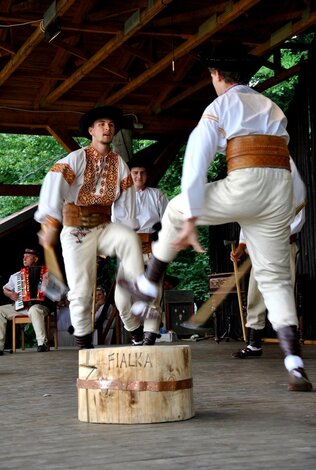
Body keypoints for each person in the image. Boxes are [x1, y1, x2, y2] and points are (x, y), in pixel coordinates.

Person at [119, 42, 313, 391]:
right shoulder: (272, 108)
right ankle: (295, 363)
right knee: (275, 279)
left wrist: (191, 214)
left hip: (248, 184)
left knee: (176, 207)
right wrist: (291, 207)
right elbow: (287, 164)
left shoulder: (221, 105)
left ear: (217, 76)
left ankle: (150, 281)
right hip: (279, 190)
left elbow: (197, 155)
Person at [35, 105, 150, 350]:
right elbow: (54, 184)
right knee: (81, 291)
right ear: (91, 131)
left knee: (129, 238)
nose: (107, 128)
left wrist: (121, 230)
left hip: (105, 228)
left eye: (110, 125)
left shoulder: (119, 164)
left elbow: (126, 204)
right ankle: (84, 346)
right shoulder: (75, 159)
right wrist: (51, 223)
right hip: (77, 231)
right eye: (101, 124)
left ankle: (133, 297)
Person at [232, 157, 306, 358]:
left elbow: (299, 204)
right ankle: (254, 344)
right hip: (260, 247)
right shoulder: (253, 171)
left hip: (283, 244)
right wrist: (242, 244)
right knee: (256, 294)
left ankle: (290, 347)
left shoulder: (286, 165)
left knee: (283, 294)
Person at [118, 156, 169, 345]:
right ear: (129, 175)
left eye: (142, 173)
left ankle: (150, 335)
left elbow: (169, 223)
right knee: (122, 301)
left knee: (152, 299)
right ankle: (136, 332)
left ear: (147, 176)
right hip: (129, 253)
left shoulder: (158, 195)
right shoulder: (120, 198)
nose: (138, 176)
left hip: (152, 251)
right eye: (135, 173)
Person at [0, 248, 51, 354]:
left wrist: (47, 287)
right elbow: (5, 289)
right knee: (0, 310)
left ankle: (42, 343)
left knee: (34, 309)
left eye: (27, 256)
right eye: (23, 256)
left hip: (39, 306)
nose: (24, 258)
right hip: (19, 307)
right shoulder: (16, 276)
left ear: (35, 259)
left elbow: (55, 292)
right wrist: (11, 294)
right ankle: (0, 347)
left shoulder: (46, 274)